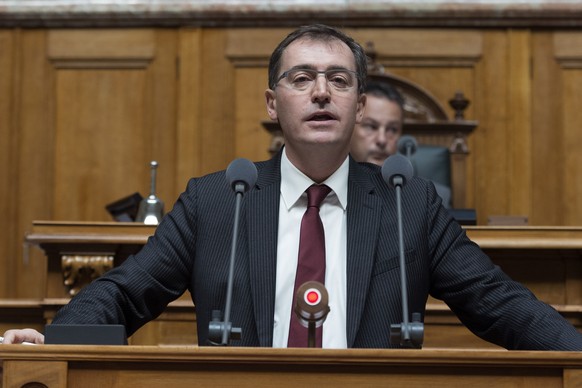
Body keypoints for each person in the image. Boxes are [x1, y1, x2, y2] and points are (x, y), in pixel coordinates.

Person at [3, 24, 582, 350]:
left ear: (359, 105)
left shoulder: (409, 203)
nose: (322, 92)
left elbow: (495, 300)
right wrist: (52, 340)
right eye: (301, 79)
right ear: (273, 104)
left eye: (339, 80)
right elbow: (129, 291)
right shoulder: (216, 200)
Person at [349, 81, 452, 208]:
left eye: (392, 129)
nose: (382, 140)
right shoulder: (328, 189)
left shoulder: (433, 198)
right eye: (371, 126)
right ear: (350, 127)